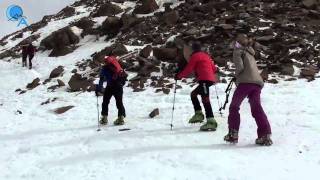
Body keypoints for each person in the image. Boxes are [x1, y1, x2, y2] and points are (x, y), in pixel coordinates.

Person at [224, 34, 272, 146]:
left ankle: (233, 133)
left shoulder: (237, 51)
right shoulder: (250, 52)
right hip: (257, 83)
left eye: (235, 43)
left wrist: (236, 76)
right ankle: (265, 135)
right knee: (257, 108)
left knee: (234, 107)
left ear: (238, 43)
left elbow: (240, 67)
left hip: (245, 82)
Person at [175, 42, 218, 131]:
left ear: (193, 49)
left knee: (205, 99)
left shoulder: (195, 56)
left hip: (204, 79)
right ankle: (198, 114)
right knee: (193, 94)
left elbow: (189, 69)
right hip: (209, 79)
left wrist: (179, 76)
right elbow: (214, 69)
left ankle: (211, 121)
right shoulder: (206, 56)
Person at [95, 55, 127, 126]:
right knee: (119, 102)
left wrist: (99, 88)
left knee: (105, 102)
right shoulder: (117, 64)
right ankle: (121, 118)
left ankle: (104, 118)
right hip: (119, 86)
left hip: (110, 87)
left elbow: (101, 79)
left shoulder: (105, 68)